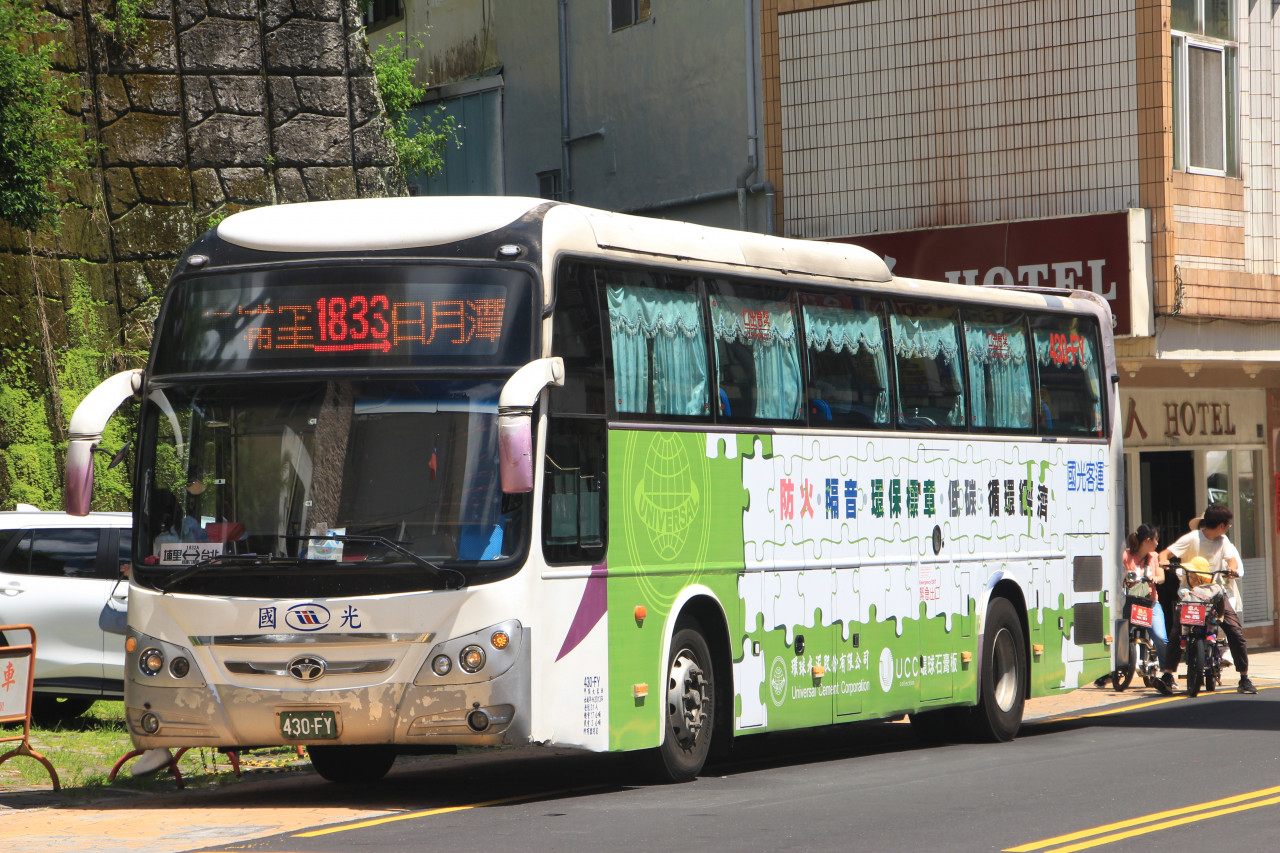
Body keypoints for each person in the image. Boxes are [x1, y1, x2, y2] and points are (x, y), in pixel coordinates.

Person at [1158, 504, 1256, 694]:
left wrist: (1232, 568)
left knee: (1235, 631)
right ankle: (1168, 675)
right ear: (1220, 525)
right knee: (1178, 630)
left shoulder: (1223, 541)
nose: (1228, 528)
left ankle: (1244, 678)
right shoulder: (1192, 539)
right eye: (1228, 525)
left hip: (1215, 592)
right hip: (1191, 593)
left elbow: (1232, 560)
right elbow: (1165, 553)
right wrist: (1164, 561)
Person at [1094, 525, 1175, 694]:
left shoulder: (1153, 557)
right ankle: (1113, 669)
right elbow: (1115, 575)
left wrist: (1154, 578)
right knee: (1119, 636)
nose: (1157, 543)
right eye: (1156, 540)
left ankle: (1168, 675)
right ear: (1148, 541)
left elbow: (1161, 577)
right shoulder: (1125, 556)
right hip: (1129, 603)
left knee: (1161, 638)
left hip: (1150, 604)